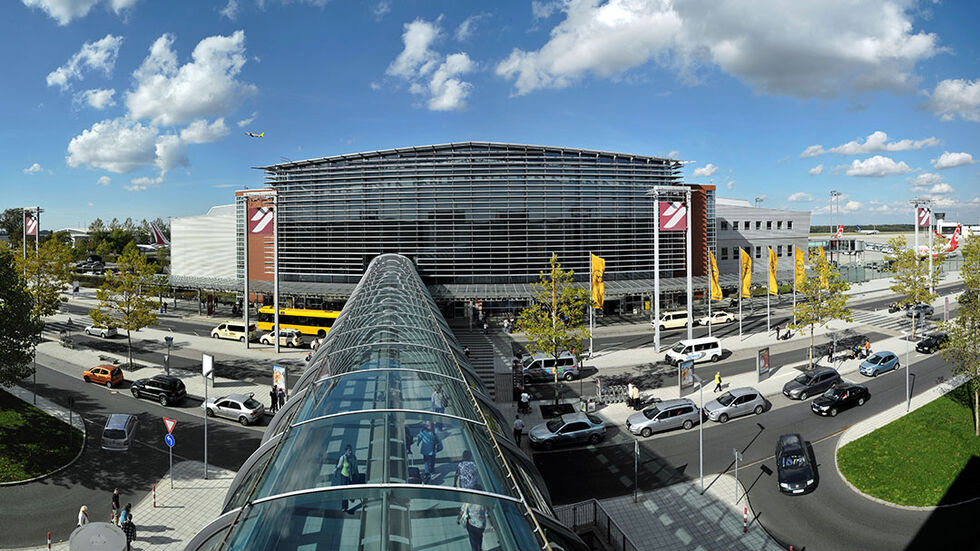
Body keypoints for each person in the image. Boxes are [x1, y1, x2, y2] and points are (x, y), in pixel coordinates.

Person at [336, 444, 359, 514]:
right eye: (349, 450)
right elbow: (339, 466)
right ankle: (344, 507)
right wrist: (335, 471)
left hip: (352, 475)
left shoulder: (354, 457)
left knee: (352, 489)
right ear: (346, 451)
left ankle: (351, 498)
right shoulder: (343, 458)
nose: (350, 452)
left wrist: (357, 474)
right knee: (344, 491)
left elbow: (355, 467)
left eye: (351, 450)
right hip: (344, 476)